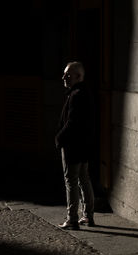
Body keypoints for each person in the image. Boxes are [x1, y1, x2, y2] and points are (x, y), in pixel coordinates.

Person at [55, 61, 95, 230]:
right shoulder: (83, 92)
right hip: (83, 145)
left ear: (79, 76)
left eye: (68, 75)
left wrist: (59, 138)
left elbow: (72, 123)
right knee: (84, 180)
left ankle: (72, 219)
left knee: (71, 181)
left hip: (73, 146)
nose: (64, 77)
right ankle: (88, 216)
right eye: (64, 74)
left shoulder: (76, 95)